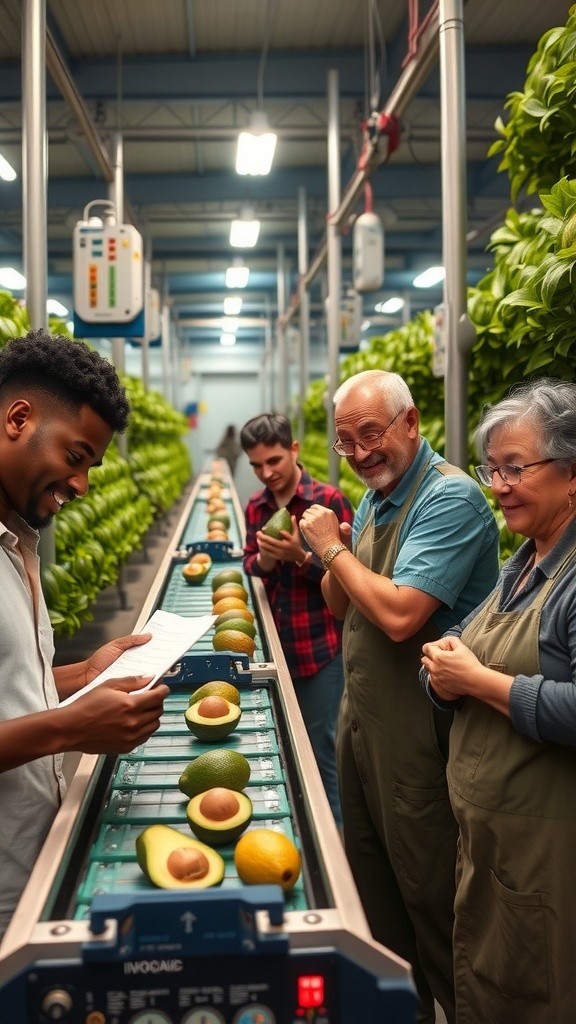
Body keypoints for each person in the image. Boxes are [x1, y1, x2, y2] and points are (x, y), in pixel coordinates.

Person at [299, 370, 500, 1024]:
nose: (360, 453)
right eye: (346, 442)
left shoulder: (450, 499)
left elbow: (397, 616)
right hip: (366, 726)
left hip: (421, 740)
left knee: (433, 900)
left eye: (371, 434)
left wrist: (332, 548)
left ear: (410, 422)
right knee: (377, 897)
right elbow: (340, 603)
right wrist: (329, 551)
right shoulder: (377, 497)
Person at [0, 329, 169, 941]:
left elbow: (11, 683)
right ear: (18, 419)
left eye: (91, 468)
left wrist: (82, 676)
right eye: (75, 457)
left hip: (29, 873)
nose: (81, 486)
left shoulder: (16, 541)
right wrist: (70, 729)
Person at [420, 378, 576, 1023]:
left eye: (517, 468)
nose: (500, 486)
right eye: (493, 470)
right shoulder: (522, 564)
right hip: (491, 847)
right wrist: (441, 676)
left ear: (572, 474)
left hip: (545, 858)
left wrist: (479, 682)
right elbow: (456, 645)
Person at [240, 412, 354, 828]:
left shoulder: (328, 503)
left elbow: (352, 578)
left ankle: (335, 840)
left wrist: (301, 557)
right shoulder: (257, 506)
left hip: (319, 651)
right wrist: (266, 561)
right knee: (283, 745)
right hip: (274, 647)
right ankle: (301, 829)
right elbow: (250, 563)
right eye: (256, 465)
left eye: (273, 461)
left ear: (294, 450)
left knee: (322, 751)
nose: (266, 473)